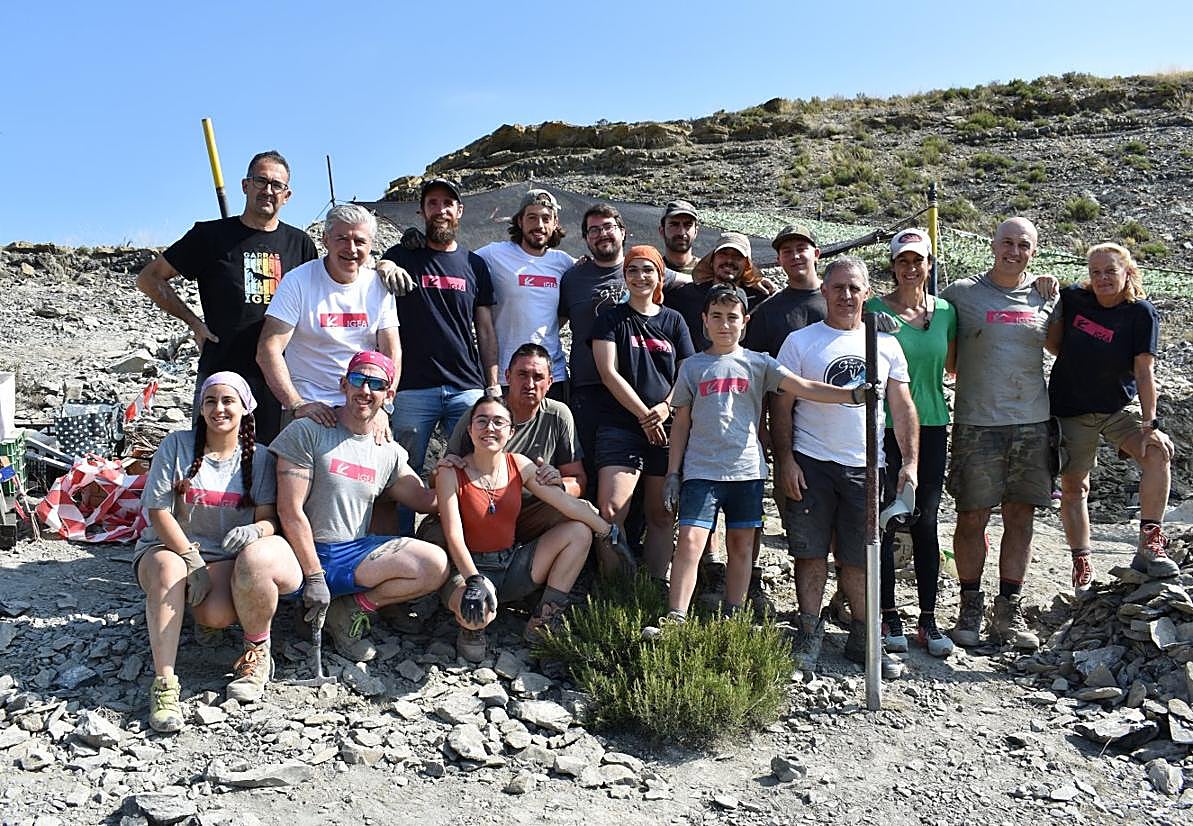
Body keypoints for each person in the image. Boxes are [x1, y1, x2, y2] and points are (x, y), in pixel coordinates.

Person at [652, 284, 867, 630]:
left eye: (732, 318)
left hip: (747, 472)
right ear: (704, 321)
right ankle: (676, 617)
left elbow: (804, 387)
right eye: (717, 317)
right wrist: (673, 473)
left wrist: (851, 395)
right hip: (700, 471)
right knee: (691, 541)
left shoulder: (759, 363)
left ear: (745, 321)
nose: (725, 325)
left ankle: (733, 617)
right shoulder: (692, 367)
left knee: (741, 545)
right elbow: (681, 424)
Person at [232, 351, 448, 664]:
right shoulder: (308, 431)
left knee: (434, 564)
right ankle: (257, 651)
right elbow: (290, 511)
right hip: (298, 550)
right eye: (359, 380)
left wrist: (447, 474)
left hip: (352, 553)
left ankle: (347, 611)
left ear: (388, 395)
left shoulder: (386, 450)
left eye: (376, 384)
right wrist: (315, 577)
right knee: (253, 559)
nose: (365, 390)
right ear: (344, 384)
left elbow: (426, 501)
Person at [773, 257, 918, 678]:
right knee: (810, 550)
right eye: (838, 287)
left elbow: (902, 407)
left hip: (865, 466)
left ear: (867, 292)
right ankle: (809, 631)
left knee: (859, 555)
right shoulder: (801, 342)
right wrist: (784, 459)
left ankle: (862, 636)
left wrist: (909, 462)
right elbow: (781, 405)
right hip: (812, 462)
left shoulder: (885, 344)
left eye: (854, 288)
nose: (846, 295)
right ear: (825, 291)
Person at [134, 372, 286, 730]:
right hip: (170, 550)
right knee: (168, 572)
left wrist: (255, 529)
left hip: (225, 559)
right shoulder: (177, 446)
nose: (219, 409)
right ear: (200, 408)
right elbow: (158, 512)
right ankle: (165, 685)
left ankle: (208, 624)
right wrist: (191, 558)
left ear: (245, 408)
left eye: (228, 401)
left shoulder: (260, 458)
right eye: (210, 401)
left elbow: (269, 519)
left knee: (215, 616)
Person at [136, 151, 317, 442]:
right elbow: (149, 278)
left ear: (288, 194)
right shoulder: (209, 236)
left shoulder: (301, 244)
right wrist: (194, 323)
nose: (268, 190)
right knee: (210, 460)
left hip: (280, 377)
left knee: (270, 466)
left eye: (276, 185)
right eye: (261, 181)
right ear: (245, 185)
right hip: (222, 370)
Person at [940, 217, 1056, 652]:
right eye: (1007, 242)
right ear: (993, 244)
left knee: (1020, 516)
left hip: (1032, 421)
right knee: (971, 515)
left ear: (1034, 250)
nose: (1014, 251)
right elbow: (944, 354)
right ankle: (970, 604)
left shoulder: (1047, 296)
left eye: (1023, 244)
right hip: (977, 423)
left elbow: (1061, 344)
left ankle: (1009, 609)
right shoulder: (962, 294)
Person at [436, 396, 621, 662]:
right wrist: (473, 580)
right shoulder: (451, 472)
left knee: (579, 531)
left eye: (498, 422)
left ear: (511, 431)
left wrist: (607, 531)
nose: (490, 428)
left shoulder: (519, 464)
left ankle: (543, 618)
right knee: (476, 613)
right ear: (470, 429)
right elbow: (453, 535)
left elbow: (565, 503)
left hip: (511, 564)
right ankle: (472, 630)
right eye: (482, 421)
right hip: (468, 571)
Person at [1046, 243, 1178, 589]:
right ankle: (1081, 562)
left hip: (1119, 408)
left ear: (1127, 272)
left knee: (1157, 452)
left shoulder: (1141, 313)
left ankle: (1150, 542)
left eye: (1110, 271)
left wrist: (1151, 424)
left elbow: (1145, 369)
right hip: (1071, 408)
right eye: (1096, 272)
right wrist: (1044, 280)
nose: (1103, 278)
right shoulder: (1075, 299)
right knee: (1075, 487)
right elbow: (1054, 341)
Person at [378, 178, 500, 533]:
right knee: (401, 473)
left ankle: (473, 541)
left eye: (448, 203)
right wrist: (385, 266)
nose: (441, 209)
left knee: (476, 468)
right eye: (433, 203)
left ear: (459, 211)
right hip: (412, 388)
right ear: (423, 211)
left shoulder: (474, 265)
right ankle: (400, 548)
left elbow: (486, 330)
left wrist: (491, 385)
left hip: (466, 386)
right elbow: (377, 272)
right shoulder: (403, 256)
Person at [863, 229, 957, 658]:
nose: (910, 268)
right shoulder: (874, 311)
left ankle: (928, 618)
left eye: (917, 260)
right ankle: (888, 613)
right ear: (894, 266)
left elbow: (950, 363)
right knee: (883, 519)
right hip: (883, 427)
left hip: (933, 426)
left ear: (929, 265)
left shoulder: (946, 312)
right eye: (902, 261)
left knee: (925, 521)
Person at [591, 246, 695, 577]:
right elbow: (609, 372)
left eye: (648, 270)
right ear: (624, 277)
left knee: (662, 514)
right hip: (620, 425)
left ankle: (654, 587)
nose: (640, 277)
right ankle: (614, 586)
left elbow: (685, 373)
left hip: (666, 429)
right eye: (632, 270)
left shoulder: (673, 320)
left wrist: (665, 408)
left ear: (660, 276)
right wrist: (644, 415)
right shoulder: (610, 319)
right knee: (610, 511)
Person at [257, 204, 399, 436]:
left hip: (361, 405)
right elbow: (268, 349)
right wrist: (296, 404)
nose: (350, 248)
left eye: (359, 241)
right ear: (325, 240)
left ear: (371, 244)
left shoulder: (378, 287)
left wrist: (384, 406)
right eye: (341, 238)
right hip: (309, 405)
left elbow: (391, 351)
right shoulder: (298, 281)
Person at [436, 343, 586, 545]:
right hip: (479, 510)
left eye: (538, 377)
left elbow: (577, 479)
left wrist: (558, 483)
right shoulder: (480, 414)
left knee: (582, 514)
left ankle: (612, 567)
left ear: (550, 382)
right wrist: (445, 470)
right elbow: (440, 475)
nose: (530, 384)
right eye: (522, 375)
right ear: (507, 376)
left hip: (533, 511)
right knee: (435, 533)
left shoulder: (559, 416)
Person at [476, 189, 575, 401]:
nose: (539, 225)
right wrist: (391, 260)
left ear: (555, 223)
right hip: (507, 376)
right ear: (520, 221)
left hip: (551, 376)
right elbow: (454, 262)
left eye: (546, 218)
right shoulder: (494, 254)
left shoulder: (564, 262)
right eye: (532, 217)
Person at [558, 204, 630, 486]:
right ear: (587, 238)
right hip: (588, 388)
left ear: (623, 232)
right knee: (588, 466)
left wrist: (755, 280)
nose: (602, 234)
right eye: (594, 230)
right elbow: (555, 322)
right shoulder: (573, 277)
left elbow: (687, 280)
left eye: (608, 227)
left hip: (635, 386)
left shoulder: (643, 265)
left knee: (630, 469)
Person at [665, 232, 770, 352]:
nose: (729, 260)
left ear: (747, 265)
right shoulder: (685, 296)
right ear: (712, 260)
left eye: (737, 256)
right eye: (723, 254)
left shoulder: (760, 302)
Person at [658, 199, 700, 275]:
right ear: (662, 231)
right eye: (674, 225)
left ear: (696, 231)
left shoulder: (708, 272)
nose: (681, 232)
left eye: (688, 225)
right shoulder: (653, 272)